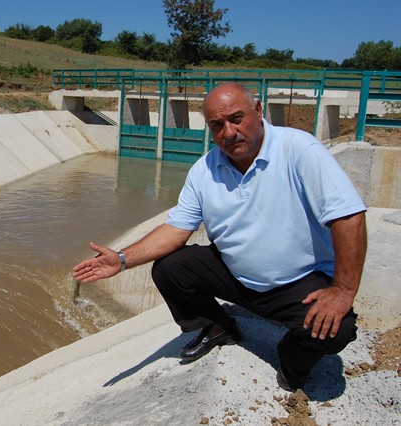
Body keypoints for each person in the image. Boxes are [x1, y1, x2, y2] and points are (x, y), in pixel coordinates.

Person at [72, 82, 367, 392]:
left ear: (257, 110)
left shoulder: (299, 150)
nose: (229, 132)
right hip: (237, 276)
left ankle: (289, 358)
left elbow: (348, 217)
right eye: (217, 125)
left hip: (298, 282)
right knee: (171, 268)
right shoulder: (204, 170)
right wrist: (121, 259)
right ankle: (218, 326)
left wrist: (343, 290)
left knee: (337, 329)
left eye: (236, 118)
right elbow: (176, 229)